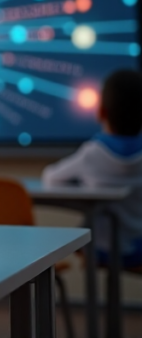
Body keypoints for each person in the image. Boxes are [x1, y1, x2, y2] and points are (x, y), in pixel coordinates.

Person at [42, 69, 142, 267]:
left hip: (101, 248)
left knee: (82, 236)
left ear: (101, 112)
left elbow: (50, 178)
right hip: (139, 247)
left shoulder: (92, 153)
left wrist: (82, 184)